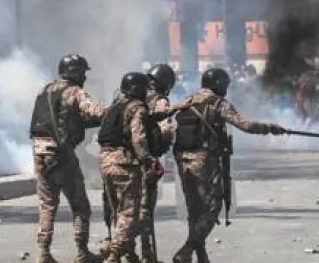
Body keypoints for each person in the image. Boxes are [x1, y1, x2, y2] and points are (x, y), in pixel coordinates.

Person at [167, 66, 286, 263]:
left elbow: (165, 115)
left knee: (194, 208)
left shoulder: (187, 101)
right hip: (204, 161)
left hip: (182, 160)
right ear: (219, 85)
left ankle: (201, 256)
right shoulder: (218, 103)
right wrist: (270, 128)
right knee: (213, 207)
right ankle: (187, 249)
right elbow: (245, 125)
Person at [31, 54, 107, 263]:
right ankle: (82, 253)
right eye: (83, 72)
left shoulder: (45, 89)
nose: (84, 77)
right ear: (76, 73)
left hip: (39, 152)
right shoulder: (74, 92)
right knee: (80, 205)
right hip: (61, 154)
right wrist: (117, 110)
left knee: (47, 205)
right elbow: (98, 113)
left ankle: (43, 253)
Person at [98, 72, 162, 263]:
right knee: (129, 214)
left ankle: (127, 254)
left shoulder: (114, 106)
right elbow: (138, 138)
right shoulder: (137, 108)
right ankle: (114, 254)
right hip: (124, 164)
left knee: (118, 211)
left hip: (105, 161)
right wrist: (148, 160)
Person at [138, 64, 178, 263]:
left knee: (127, 208)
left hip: (125, 159)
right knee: (145, 209)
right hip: (147, 159)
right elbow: (166, 130)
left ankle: (126, 252)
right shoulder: (160, 101)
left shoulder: (134, 94)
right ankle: (147, 256)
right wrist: (162, 147)